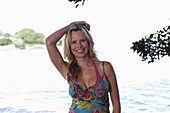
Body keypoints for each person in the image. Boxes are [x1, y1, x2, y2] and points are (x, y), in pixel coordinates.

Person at [46, 21, 121, 113]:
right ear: (69, 46)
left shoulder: (105, 68)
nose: (79, 46)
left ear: (89, 42)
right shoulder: (67, 70)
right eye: (74, 42)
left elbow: (116, 105)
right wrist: (71, 26)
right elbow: (49, 42)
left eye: (82, 40)